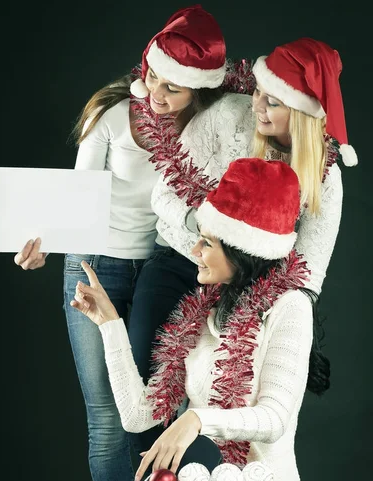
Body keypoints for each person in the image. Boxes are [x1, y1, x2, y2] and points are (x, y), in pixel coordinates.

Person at [13, 5, 228, 481]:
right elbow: (77, 200)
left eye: (175, 89)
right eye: (155, 76)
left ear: (198, 93)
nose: (158, 93)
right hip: (96, 267)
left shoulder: (208, 129)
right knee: (110, 422)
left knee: (161, 411)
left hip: (166, 269)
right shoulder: (112, 117)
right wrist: (43, 247)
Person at [70, 157, 330, 481]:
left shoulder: (290, 306)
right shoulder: (202, 310)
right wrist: (109, 324)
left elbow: (274, 418)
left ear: (241, 251)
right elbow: (137, 416)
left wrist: (194, 421)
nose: (194, 252)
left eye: (206, 242)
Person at [129, 38, 357, 385]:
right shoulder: (228, 114)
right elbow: (164, 193)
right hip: (176, 262)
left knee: (213, 409)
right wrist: (204, 227)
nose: (257, 106)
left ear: (302, 113)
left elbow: (308, 269)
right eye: (258, 93)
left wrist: (279, 326)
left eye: (274, 102)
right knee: (144, 385)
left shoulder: (324, 178)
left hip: (244, 293)